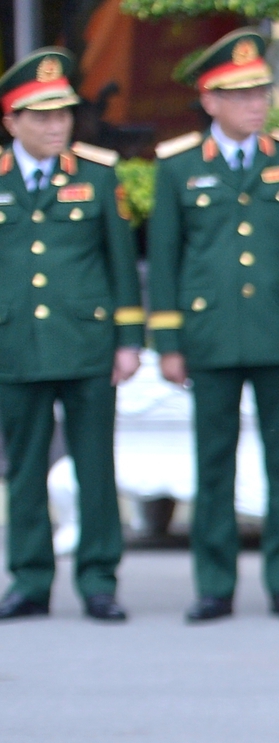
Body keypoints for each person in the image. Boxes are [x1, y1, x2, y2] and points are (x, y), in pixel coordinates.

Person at [147, 29, 279, 624]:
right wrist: (167, 342)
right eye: (241, 95)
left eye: (261, 92)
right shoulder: (178, 166)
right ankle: (214, 585)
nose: (257, 104)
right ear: (210, 101)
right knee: (213, 463)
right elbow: (165, 259)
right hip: (210, 336)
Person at [0, 49, 140, 623]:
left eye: (63, 115)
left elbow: (121, 264)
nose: (56, 126)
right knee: (24, 468)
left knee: (94, 468)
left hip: (88, 346)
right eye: (41, 116)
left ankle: (98, 579)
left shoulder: (99, 176)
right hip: (15, 346)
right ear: (11, 121)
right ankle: (30, 579)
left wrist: (129, 340)